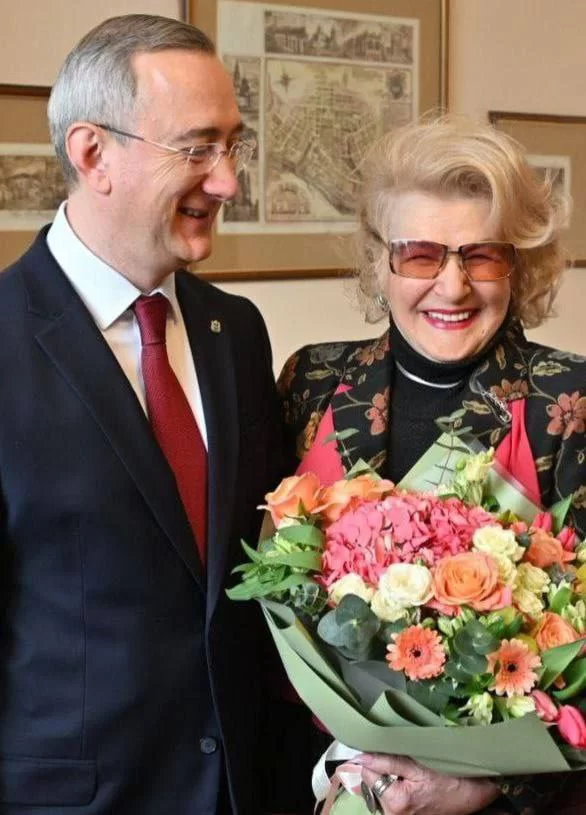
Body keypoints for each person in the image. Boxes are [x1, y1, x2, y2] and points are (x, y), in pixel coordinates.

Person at [0, 14, 312, 815]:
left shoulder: (236, 331)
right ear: (92, 154)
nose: (228, 182)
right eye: (197, 148)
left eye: (233, 146)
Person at [278, 117, 585, 814]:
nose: (453, 286)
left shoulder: (569, 403)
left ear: (519, 264)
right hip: (319, 784)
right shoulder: (313, 381)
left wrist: (487, 784)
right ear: (379, 263)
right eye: (419, 255)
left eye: (482, 255)